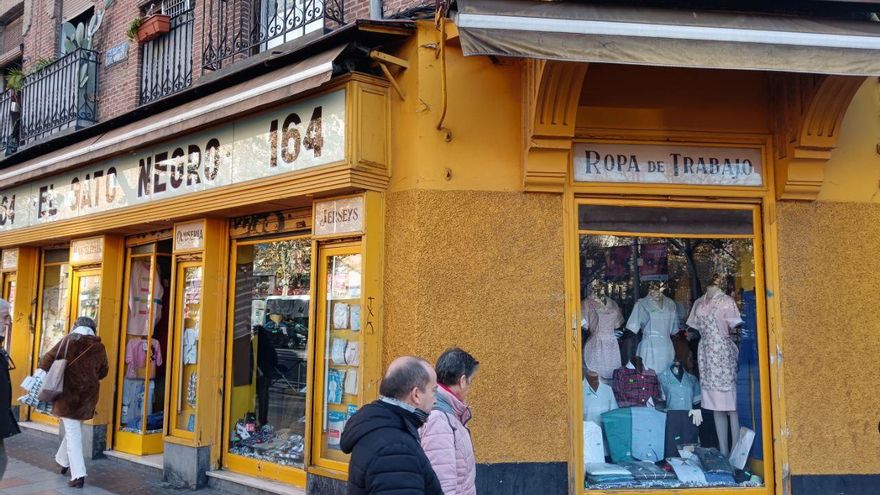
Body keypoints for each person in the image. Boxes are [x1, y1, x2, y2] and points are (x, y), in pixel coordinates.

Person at [341, 356, 443, 495]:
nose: (435, 400)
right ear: (416, 395)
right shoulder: (396, 448)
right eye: (434, 391)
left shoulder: (379, 425)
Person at [38, 316, 108, 489]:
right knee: (74, 429)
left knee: (74, 433)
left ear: (75, 326)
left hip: (67, 396)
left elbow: (45, 361)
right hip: (88, 397)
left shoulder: (68, 341)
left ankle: (78, 475)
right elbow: (104, 371)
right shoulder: (99, 346)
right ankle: (62, 460)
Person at [420, 348, 479, 495]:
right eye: (470, 381)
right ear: (463, 381)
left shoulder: (447, 412)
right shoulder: (439, 418)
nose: (469, 388)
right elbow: (441, 481)